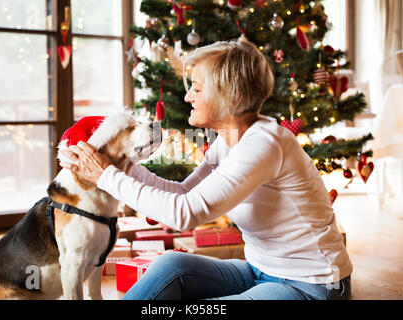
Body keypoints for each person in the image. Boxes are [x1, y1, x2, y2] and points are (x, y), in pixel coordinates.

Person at [60, 38, 352, 300]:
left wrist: (106, 176)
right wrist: (120, 167)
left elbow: (184, 213)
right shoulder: (229, 140)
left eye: (197, 89)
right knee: (171, 265)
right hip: (258, 270)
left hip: (312, 285)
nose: (188, 97)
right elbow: (185, 191)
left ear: (230, 96)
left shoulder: (263, 144)